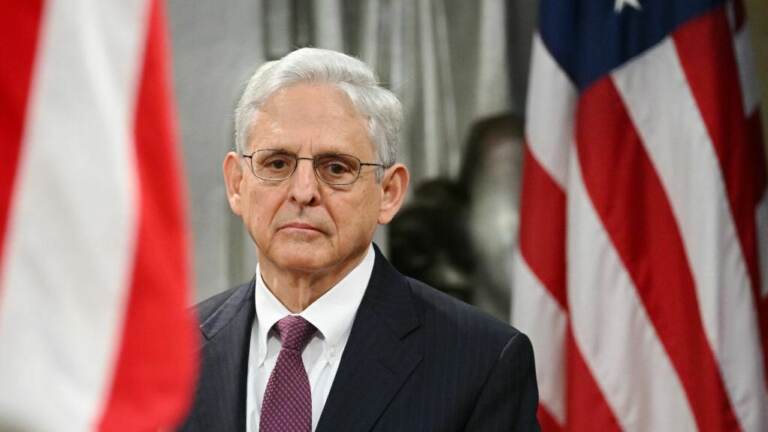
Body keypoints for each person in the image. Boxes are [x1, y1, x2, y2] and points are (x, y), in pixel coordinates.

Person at [179, 47, 539, 432]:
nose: (303, 192)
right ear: (237, 184)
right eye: (277, 163)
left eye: (336, 168)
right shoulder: (168, 354)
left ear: (388, 193)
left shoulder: (481, 362)